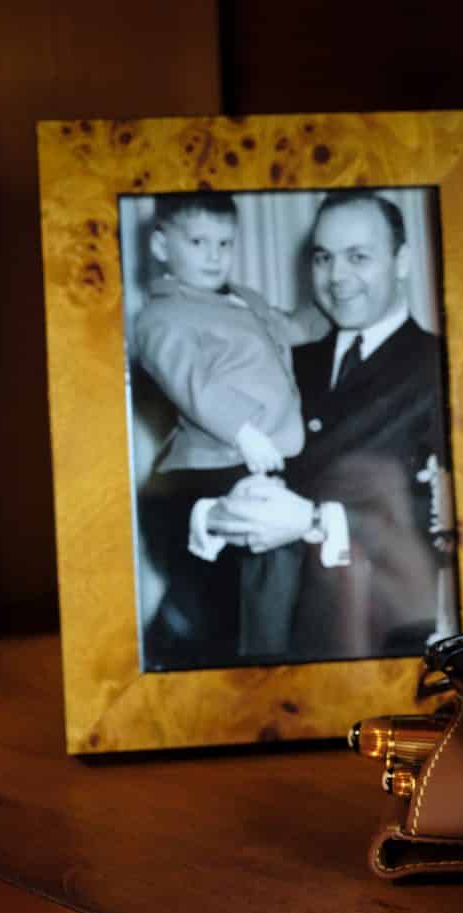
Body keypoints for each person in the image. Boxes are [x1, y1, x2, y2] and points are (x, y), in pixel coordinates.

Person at [195, 189, 456, 662]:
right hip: (262, 629)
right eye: (323, 258)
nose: (336, 277)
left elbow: (452, 522)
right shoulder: (282, 360)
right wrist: (212, 514)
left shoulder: (446, 366)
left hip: (374, 634)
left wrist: (315, 521)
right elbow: (216, 459)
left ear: (401, 261)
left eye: (358, 257)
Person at [133, 192, 307, 670]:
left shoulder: (244, 298)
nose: (215, 255)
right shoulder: (159, 316)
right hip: (213, 459)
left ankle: (260, 655)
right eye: (198, 241)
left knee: (269, 567)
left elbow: (292, 328)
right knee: (258, 561)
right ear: (162, 246)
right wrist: (245, 431)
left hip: (265, 456)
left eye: (225, 243)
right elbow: (193, 383)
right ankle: (244, 666)